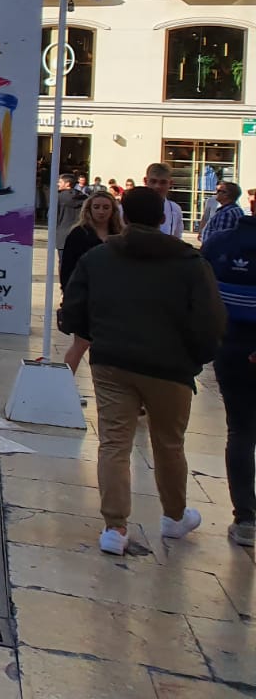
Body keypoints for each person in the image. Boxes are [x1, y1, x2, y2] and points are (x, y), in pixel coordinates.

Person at [58, 185, 225, 555]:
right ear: (163, 217)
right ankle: (174, 516)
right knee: (169, 442)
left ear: (125, 217)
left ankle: (115, 528)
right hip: (170, 368)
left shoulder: (100, 257)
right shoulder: (190, 262)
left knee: (114, 443)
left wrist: (90, 333)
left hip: (112, 361)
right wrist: (194, 358)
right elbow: (210, 320)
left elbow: (73, 306)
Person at [201, 199, 256, 547]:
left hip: (230, 348)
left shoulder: (218, 244)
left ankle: (246, 518)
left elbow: (199, 298)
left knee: (241, 430)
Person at [59, 189, 124, 371]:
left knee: (108, 348)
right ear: (89, 209)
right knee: (81, 343)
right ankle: (65, 386)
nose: (101, 211)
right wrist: (68, 295)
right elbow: (67, 268)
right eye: (97, 207)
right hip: (85, 297)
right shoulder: (79, 234)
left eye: (105, 207)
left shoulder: (119, 235)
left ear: (113, 210)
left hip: (112, 299)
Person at [143, 162, 185, 238]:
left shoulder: (175, 210)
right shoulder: (131, 206)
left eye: (163, 182)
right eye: (153, 181)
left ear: (170, 183)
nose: (157, 186)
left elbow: (177, 239)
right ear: (146, 181)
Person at [53, 173, 82, 246]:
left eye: (60, 182)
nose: (57, 184)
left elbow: (52, 216)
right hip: (80, 234)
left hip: (62, 235)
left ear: (67, 184)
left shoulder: (58, 198)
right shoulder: (84, 197)